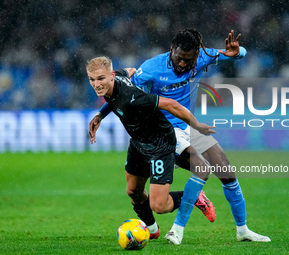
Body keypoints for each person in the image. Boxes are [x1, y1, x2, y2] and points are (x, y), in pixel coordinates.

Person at [90, 29, 271, 244]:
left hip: (189, 124)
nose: (183, 64)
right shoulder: (151, 68)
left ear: (197, 55)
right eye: (179, 59)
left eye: (188, 60)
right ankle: (177, 225)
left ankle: (243, 230)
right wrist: (102, 113)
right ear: (171, 51)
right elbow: (123, 92)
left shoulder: (204, 56)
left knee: (226, 171)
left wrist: (238, 51)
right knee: (195, 171)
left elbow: (237, 53)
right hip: (166, 128)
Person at [86, 56, 216, 240]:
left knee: (160, 206)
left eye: (100, 78)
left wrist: (197, 125)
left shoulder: (132, 97)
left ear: (111, 76)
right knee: (133, 191)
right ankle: (152, 230)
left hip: (160, 144)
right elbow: (131, 70)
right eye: (92, 79)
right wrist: (100, 115)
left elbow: (171, 105)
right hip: (139, 142)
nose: (96, 84)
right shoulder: (117, 79)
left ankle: (195, 197)